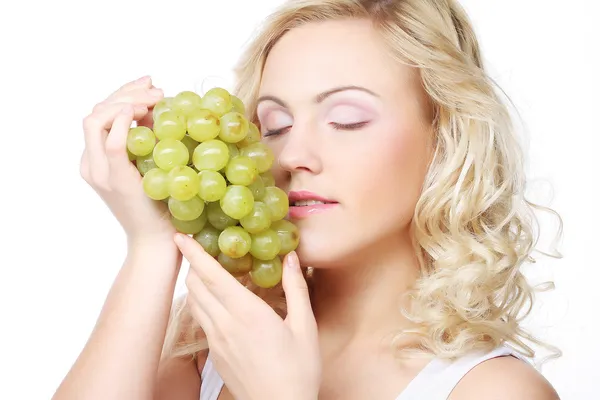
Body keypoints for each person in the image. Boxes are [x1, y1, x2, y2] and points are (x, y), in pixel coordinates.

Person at [53, 0, 564, 399]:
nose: (294, 154)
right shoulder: (210, 340)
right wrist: (150, 246)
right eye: (274, 124)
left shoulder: (492, 391)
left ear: (446, 138)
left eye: (347, 120)